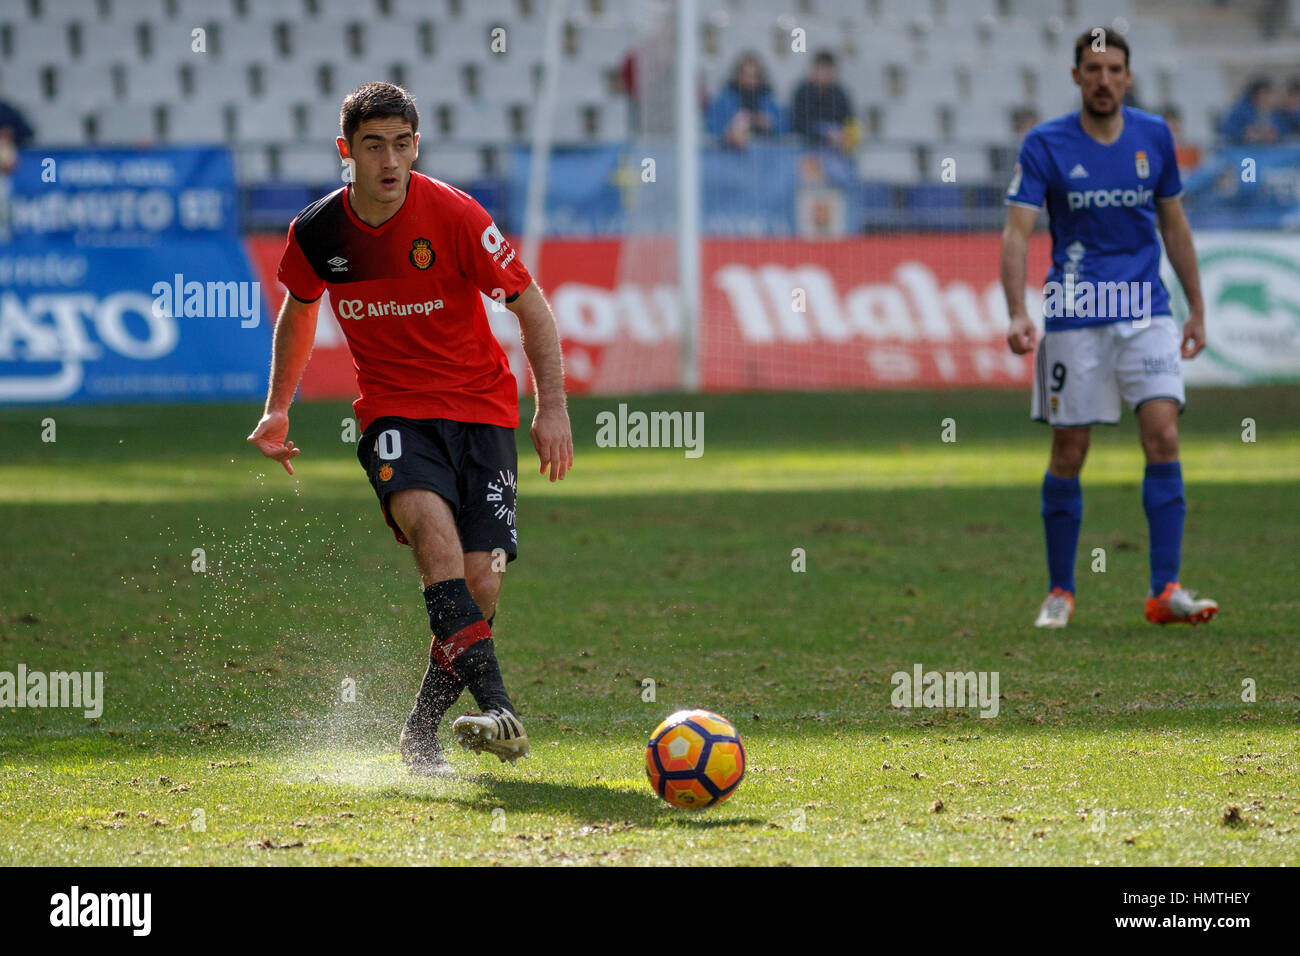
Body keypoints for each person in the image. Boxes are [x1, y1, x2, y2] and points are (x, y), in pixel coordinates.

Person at [248, 82, 573, 775]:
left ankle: (420, 734)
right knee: (435, 541)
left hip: (483, 411)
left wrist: (553, 408)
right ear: (347, 153)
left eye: (402, 143)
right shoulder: (318, 232)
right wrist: (279, 406)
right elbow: (299, 311)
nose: (389, 160)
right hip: (394, 414)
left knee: (481, 581)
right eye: (373, 146)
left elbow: (532, 306)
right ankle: (500, 706)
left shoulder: (455, 215)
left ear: (415, 146)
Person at [1001, 30, 1218, 630]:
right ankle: (1061, 592)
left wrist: (1195, 306)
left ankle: (1165, 589)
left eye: (1113, 68)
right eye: (1092, 68)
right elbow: (1017, 231)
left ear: (1128, 76)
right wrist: (1017, 312)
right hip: (1074, 314)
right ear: (1076, 76)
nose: (1102, 79)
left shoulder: (1154, 136)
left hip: (1145, 310)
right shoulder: (1045, 143)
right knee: (1070, 451)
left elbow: (1173, 226)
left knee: (1163, 439)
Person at [706, 52, 786, 149]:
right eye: (745, 74)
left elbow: (787, 126)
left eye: (754, 75)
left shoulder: (768, 101)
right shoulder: (724, 101)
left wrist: (770, 124)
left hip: (764, 155)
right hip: (730, 156)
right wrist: (730, 130)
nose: (749, 80)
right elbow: (711, 127)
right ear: (737, 76)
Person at [791, 50, 852, 149]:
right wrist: (823, 135)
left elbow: (849, 121)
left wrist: (844, 134)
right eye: (822, 70)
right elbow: (797, 123)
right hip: (807, 146)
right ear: (814, 70)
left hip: (836, 148)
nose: (825, 75)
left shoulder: (840, 94)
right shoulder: (802, 92)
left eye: (828, 71)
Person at [1219, 77, 1284, 144]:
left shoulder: (1276, 111)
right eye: (1264, 95)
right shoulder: (1240, 111)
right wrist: (1244, 133)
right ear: (1255, 96)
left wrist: (1275, 133)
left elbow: (1286, 129)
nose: (1267, 99)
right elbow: (1225, 130)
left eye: (1269, 95)